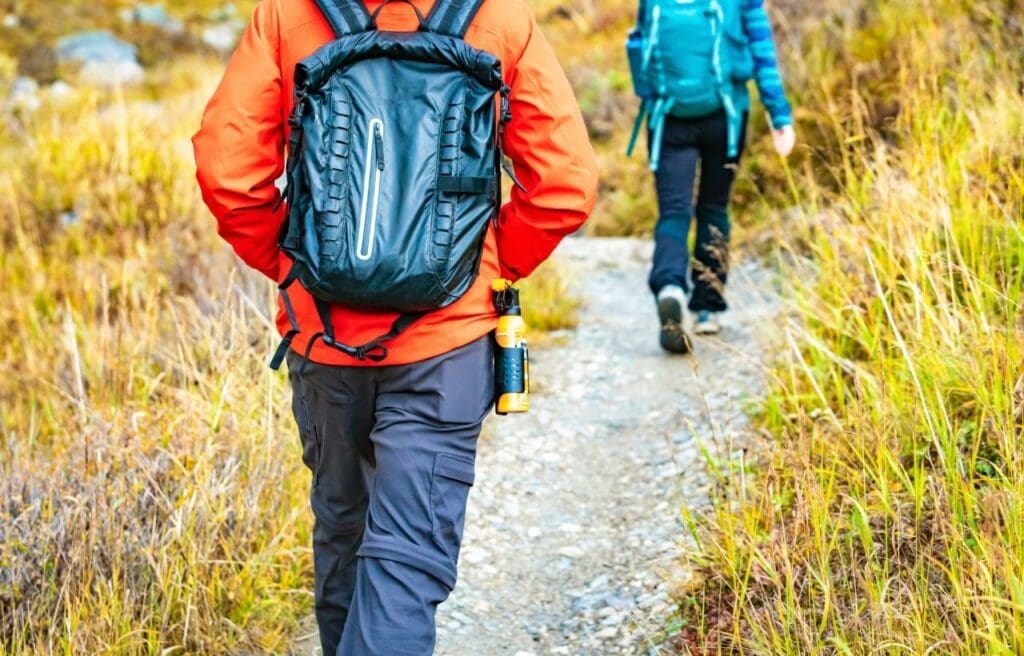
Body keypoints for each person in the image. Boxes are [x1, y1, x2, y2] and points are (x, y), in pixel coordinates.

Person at [192, 0, 598, 653]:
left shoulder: (286, 14)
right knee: (406, 561)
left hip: (324, 340)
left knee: (343, 538)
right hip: (446, 349)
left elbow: (227, 173)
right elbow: (564, 185)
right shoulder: (499, 17)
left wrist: (299, 269)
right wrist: (482, 266)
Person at [630, 0, 795, 352]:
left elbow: (642, 41)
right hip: (726, 115)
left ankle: (670, 286)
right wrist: (778, 113)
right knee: (714, 207)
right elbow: (761, 48)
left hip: (668, 117)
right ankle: (707, 307)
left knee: (673, 211)